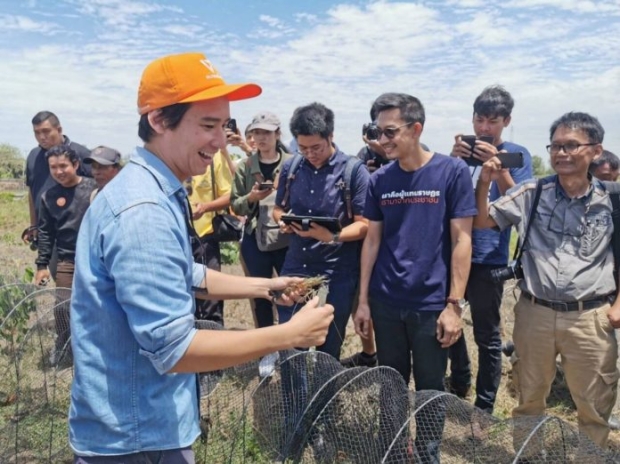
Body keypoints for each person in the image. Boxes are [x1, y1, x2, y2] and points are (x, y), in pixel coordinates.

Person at [68, 51, 333, 462]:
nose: (220, 139)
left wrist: (267, 286)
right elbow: (173, 350)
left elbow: (182, 272)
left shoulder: (155, 188)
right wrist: (289, 336)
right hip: (138, 438)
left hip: (138, 423)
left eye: (224, 126)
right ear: (158, 120)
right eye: (207, 125)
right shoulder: (144, 211)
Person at [474, 112, 619, 448]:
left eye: (571, 145)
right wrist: (485, 182)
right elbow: (482, 221)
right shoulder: (530, 193)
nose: (561, 153)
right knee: (528, 397)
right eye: (555, 146)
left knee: (593, 405)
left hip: (590, 318)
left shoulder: (613, 200)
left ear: (595, 151)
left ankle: (590, 457)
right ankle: (528, 454)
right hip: (534, 313)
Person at [353, 92, 475, 462]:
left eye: (391, 131)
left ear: (416, 128)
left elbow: (461, 239)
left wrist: (453, 305)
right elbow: (372, 240)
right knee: (390, 384)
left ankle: (426, 454)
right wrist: (363, 301)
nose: (383, 140)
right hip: (386, 301)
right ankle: (391, 450)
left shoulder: (450, 172)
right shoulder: (380, 181)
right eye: (377, 132)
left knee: (430, 388)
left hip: (431, 304)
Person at [447, 85, 533, 412]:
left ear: (506, 121)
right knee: (449, 318)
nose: (484, 128)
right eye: (479, 119)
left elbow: (523, 202)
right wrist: (453, 163)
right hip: (453, 252)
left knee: (488, 336)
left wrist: (499, 172)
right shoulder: (460, 155)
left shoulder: (516, 154)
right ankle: (459, 383)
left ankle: (483, 408)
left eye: (493, 121)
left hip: (488, 256)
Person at [274, 102, 370, 360]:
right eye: (303, 148)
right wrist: (284, 222)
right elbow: (278, 208)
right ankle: (296, 398)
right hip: (296, 265)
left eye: (316, 147)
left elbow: (364, 224)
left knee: (329, 344)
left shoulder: (353, 171)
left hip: (337, 270)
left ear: (331, 136)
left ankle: (325, 397)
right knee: (291, 340)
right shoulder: (291, 168)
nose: (310, 153)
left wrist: (332, 236)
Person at [34, 144, 96, 366]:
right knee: (62, 306)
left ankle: (98, 345)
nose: (59, 171)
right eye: (53, 167)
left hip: (97, 260)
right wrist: (42, 265)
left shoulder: (94, 190)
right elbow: (45, 233)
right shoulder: (48, 197)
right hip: (67, 260)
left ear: (76, 165)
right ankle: (64, 344)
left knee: (100, 304)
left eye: (63, 166)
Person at [231, 111, 291, 328]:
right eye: (256, 132)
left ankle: (293, 346)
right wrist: (252, 198)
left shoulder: (293, 164)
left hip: (287, 237)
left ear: (277, 134)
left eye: (266, 132)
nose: (261, 138)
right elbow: (235, 203)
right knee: (260, 293)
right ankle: (267, 348)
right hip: (255, 237)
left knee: (291, 293)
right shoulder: (245, 167)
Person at [25, 111, 91, 275]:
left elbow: (99, 190)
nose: (41, 137)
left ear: (59, 129)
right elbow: (32, 192)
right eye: (37, 133)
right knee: (62, 279)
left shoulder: (80, 154)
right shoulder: (34, 156)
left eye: (46, 132)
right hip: (49, 233)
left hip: (79, 235)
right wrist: (34, 225)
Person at [187, 149, 235, 324]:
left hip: (205, 237)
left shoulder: (214, 158)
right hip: (175, 240)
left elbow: (230, 194)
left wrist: (205, 207)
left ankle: (215, 343)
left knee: (211, 302)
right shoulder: (171, 156)